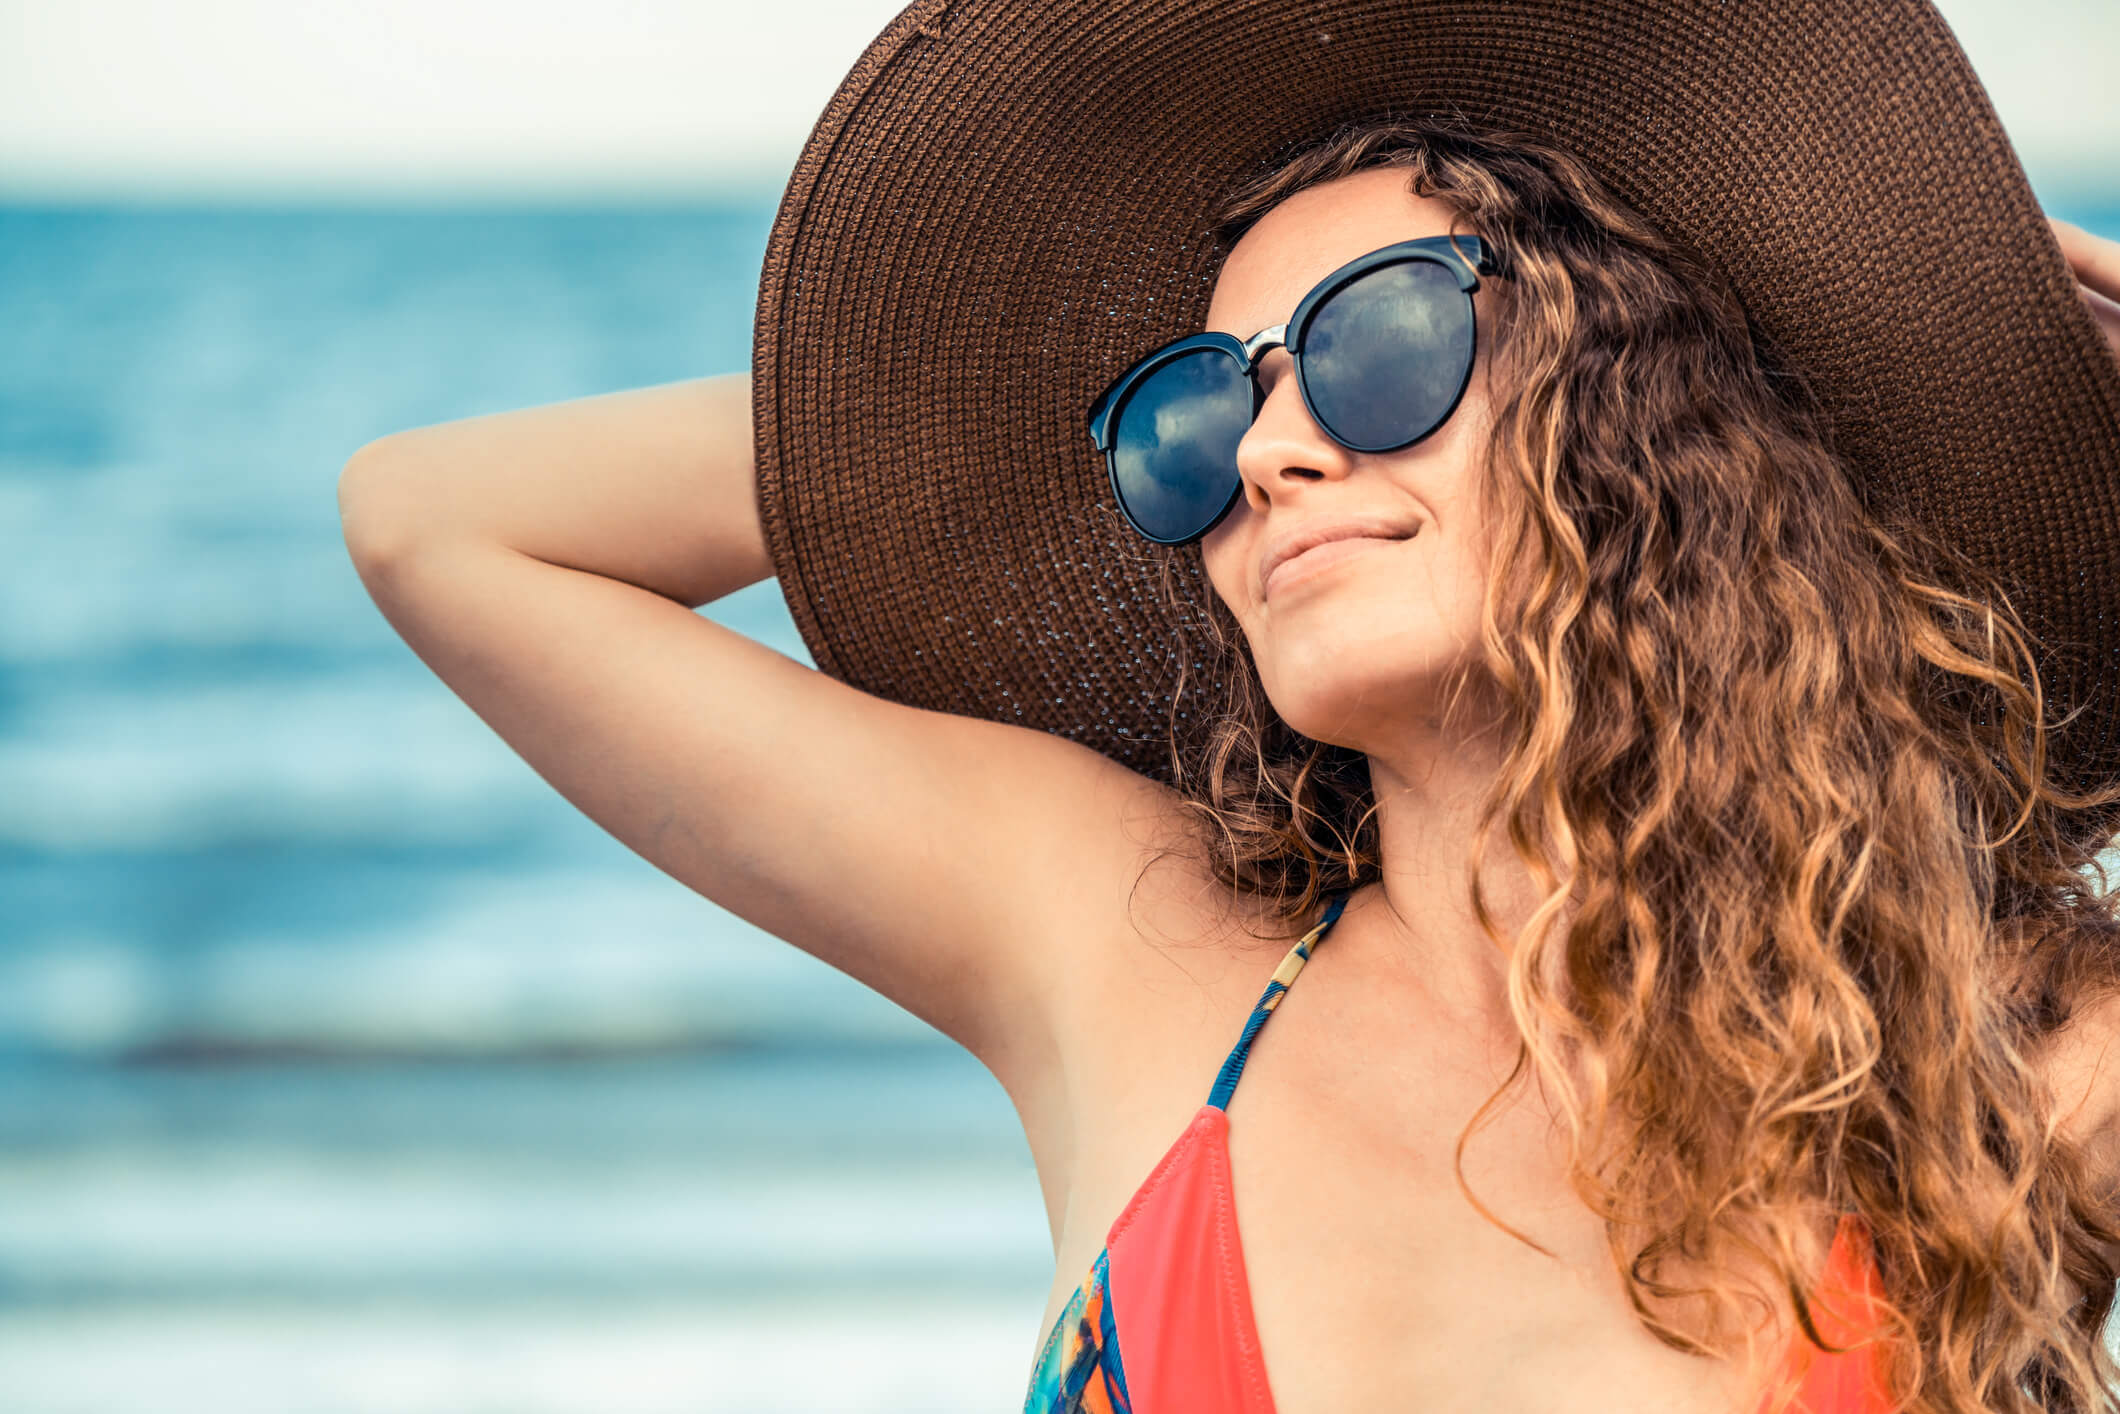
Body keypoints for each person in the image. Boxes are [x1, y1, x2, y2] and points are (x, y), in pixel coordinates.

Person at [336, 3, 2120, 1411]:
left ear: (1645, 384)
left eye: (1377, 342)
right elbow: (439, 526)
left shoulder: (1993, 1048)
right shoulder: (1125, 941)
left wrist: (1903, 318)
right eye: (1200, 412)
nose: (1269, 448)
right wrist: (1000, 401)